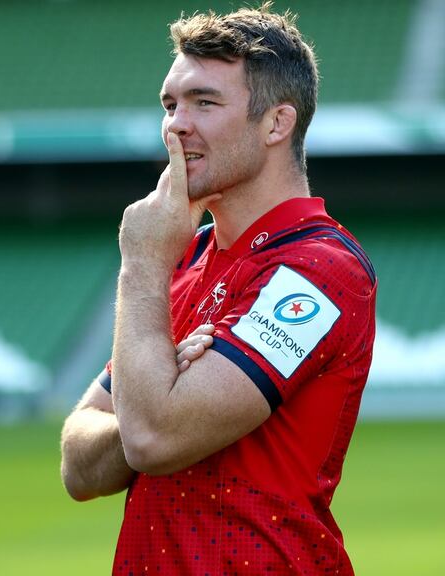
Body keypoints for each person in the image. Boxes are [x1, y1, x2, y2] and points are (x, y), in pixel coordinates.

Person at [60, 4, 376, 574]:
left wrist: (141, 266)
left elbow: (153, 441)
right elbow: (78, 468)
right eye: (170, 105)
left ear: (276, 124)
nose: (176, 125)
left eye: (204, 103)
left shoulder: (320, 269)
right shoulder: (185, 257)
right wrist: (157, 396)